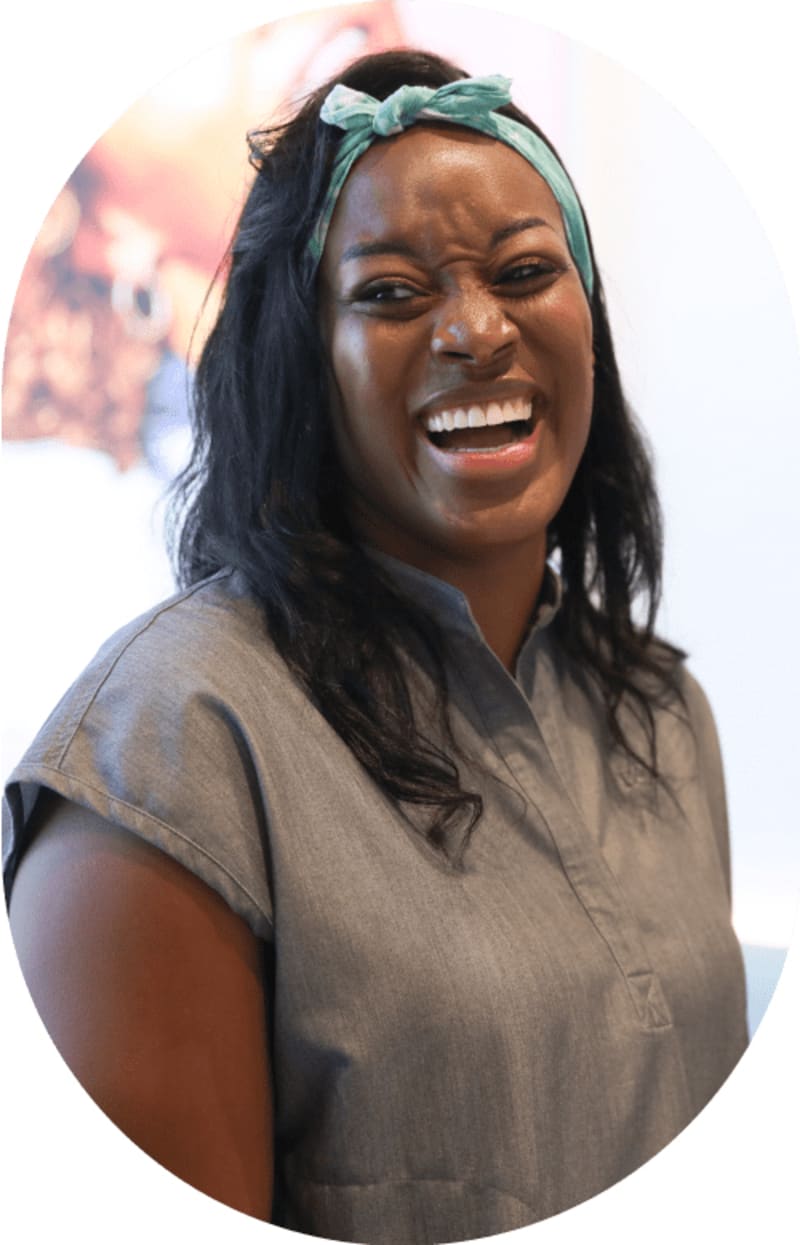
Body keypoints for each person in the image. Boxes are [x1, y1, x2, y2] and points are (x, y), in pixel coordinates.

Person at [3, 48, 748, 1244]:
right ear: (304, 363)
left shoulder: (662, 713)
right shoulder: (167, 755)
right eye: (392, 293)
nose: (473, 329)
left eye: (522, 272)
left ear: (589, 330)